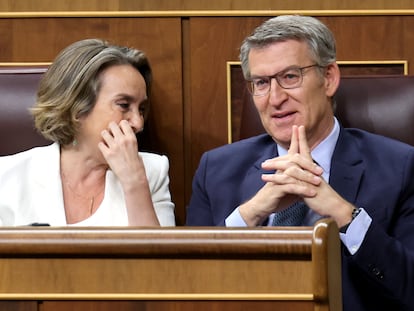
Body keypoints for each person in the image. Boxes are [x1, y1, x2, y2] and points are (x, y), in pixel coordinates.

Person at [186, 15, 414, 311]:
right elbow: (189, 283)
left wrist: (344, 214)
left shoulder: (399, 167)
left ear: (329, 78)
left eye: (290, 77)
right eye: (261, 83)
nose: (275, 98)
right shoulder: (215, 170)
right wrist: (250, 215)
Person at [0, 38, 175, 227]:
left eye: (141, 108)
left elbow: (159, 256)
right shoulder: (7, 176)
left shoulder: (151, 173)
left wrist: (134, 183)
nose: (138, 123)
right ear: (77, 108)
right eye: (124, 105)